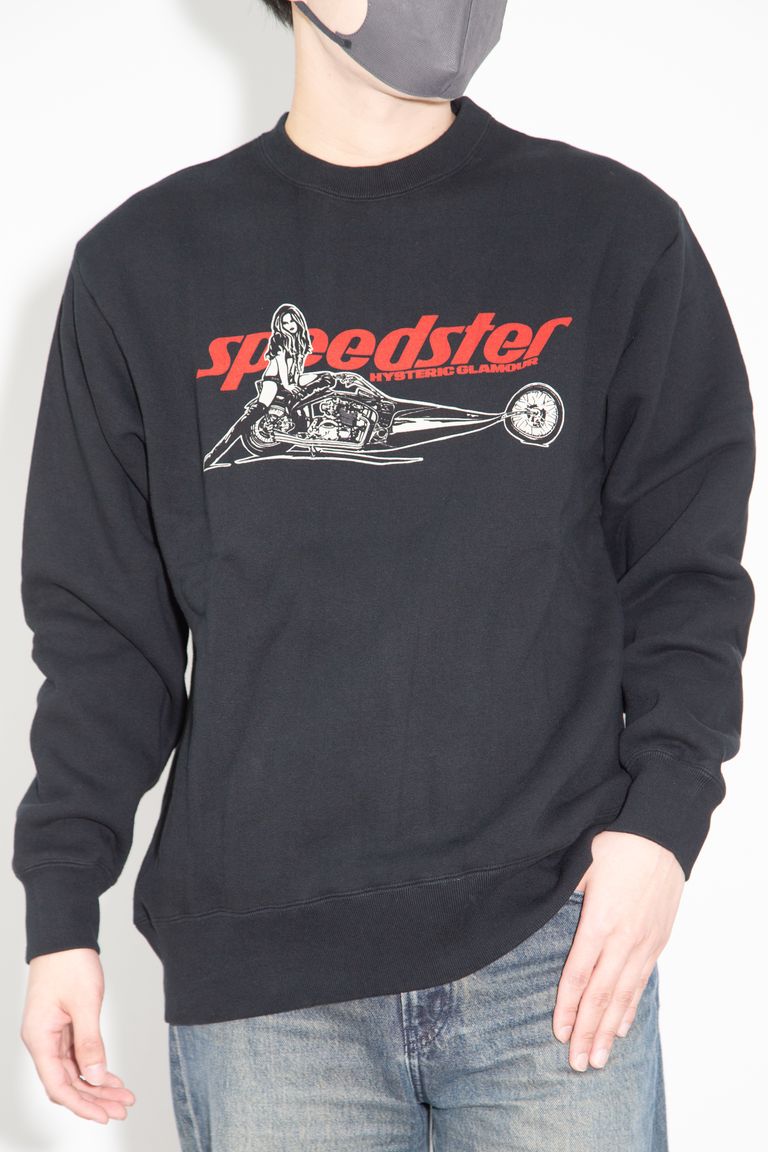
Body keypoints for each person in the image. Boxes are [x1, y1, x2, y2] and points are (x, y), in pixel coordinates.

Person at [12, 1, 755, 1148]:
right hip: (268, 990)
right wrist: (62, 910)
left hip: (552, 956)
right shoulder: (146, 267)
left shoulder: (611, 233)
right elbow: (105, 635)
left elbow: (685, 569)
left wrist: (662, 826)